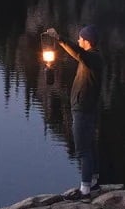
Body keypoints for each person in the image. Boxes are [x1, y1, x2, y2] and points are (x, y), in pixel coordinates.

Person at [44, 25, 104, 194]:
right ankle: (93, 182)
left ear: (86, 41)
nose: (78, 40)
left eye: (80, 38)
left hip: (83, 110)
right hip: (87, 109)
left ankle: (85, 190)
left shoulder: (92, 58)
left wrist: (59, 37)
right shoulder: (92, 58)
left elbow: (77, 52)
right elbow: (78, 54)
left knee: (83, 149)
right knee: (90, 146)